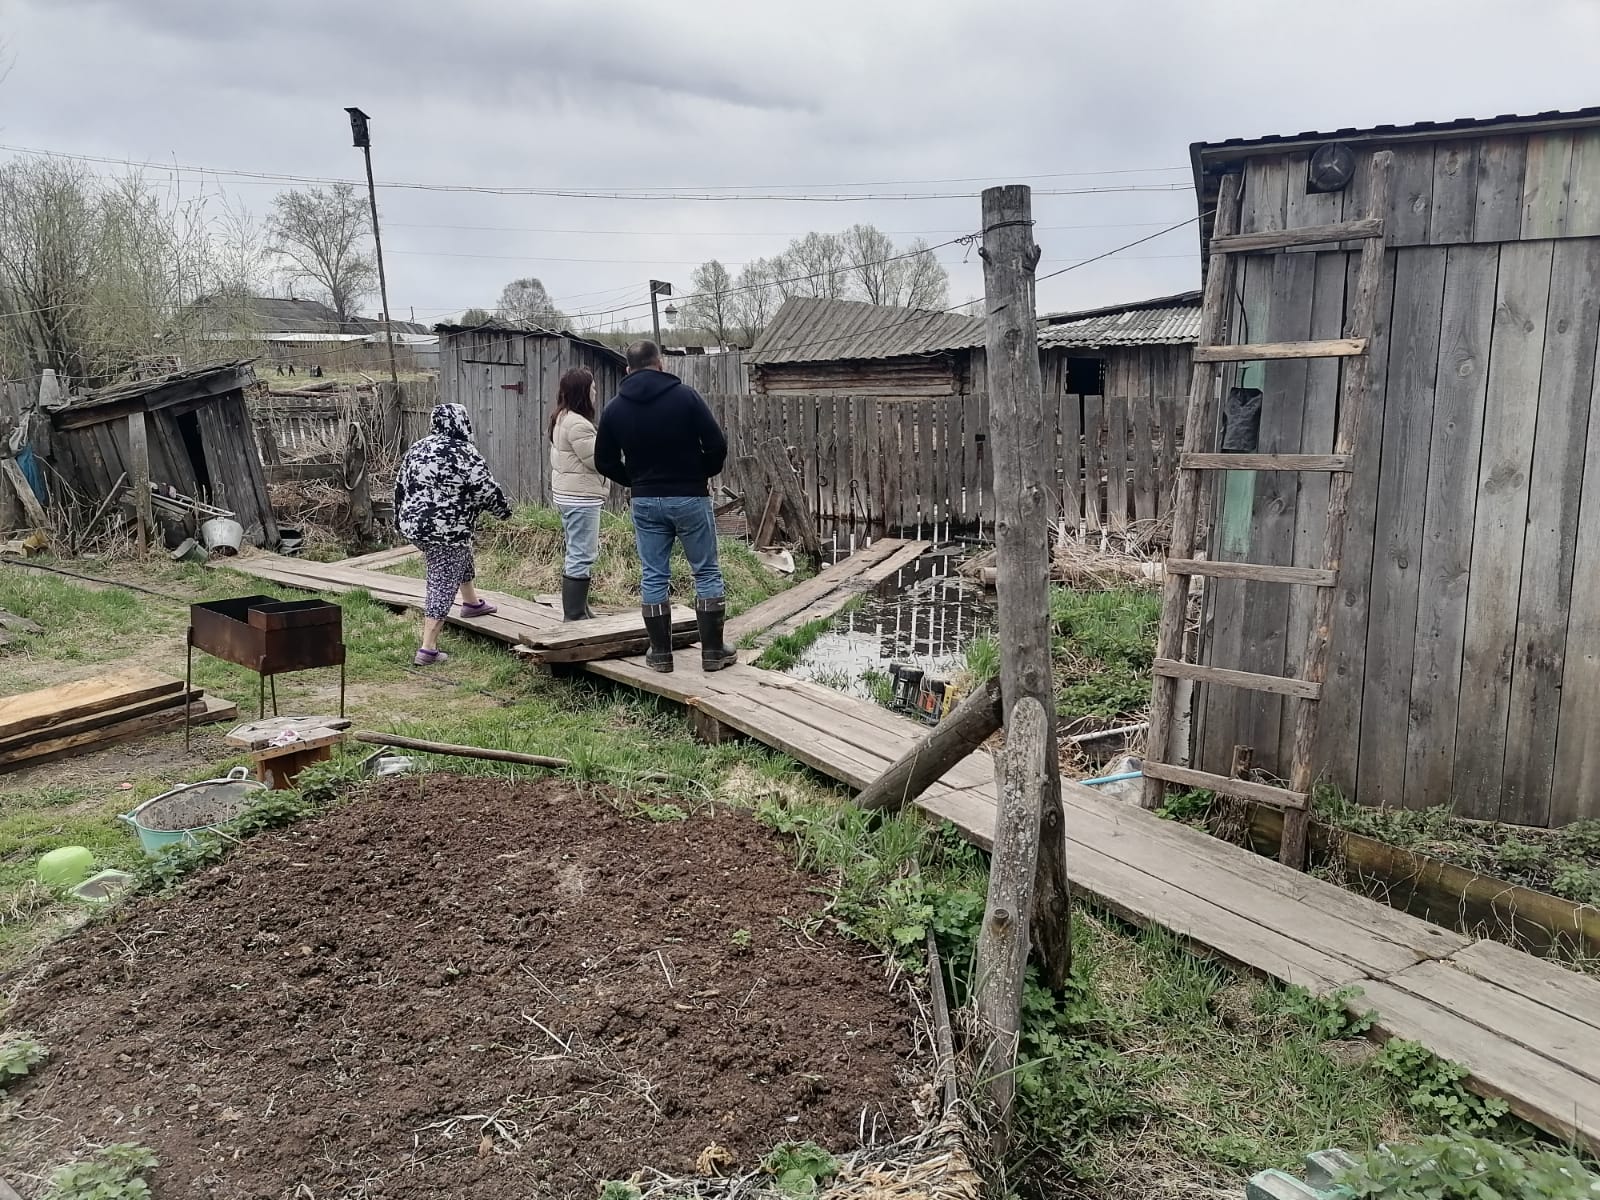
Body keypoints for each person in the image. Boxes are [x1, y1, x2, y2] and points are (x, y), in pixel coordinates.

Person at [594, 340, 735, 674]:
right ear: (660, 364)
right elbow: (717, 445)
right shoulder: (686, 397)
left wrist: (636, 480)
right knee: (706, 571)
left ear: (628, 370)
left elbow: (603, 460)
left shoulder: (615, 408)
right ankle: (713, 653)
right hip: (689, 496)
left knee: (654, 575)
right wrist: (699, 472)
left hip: (645, 500)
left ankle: (660, 655)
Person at [393, 402, 511, 666]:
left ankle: (471, 603)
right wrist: (504, 511)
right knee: (442, 579)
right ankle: (427, 649)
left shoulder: (418, 447)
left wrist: (398, 521)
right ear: (463, 423)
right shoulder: (464, 452)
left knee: (459, 554)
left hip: (413, 525)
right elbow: (485, 489)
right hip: (446, 530)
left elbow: (399, 486)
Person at [549, 366, 607, 621]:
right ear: (583, 392)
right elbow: (597, 460)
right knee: (582, 554)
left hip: (568, 494)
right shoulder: (578, 425)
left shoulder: (562, 416)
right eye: (592, 387)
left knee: (578, 551)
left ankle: (580, 608)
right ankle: (574, 614)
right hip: (580, 497)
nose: (596, 391)